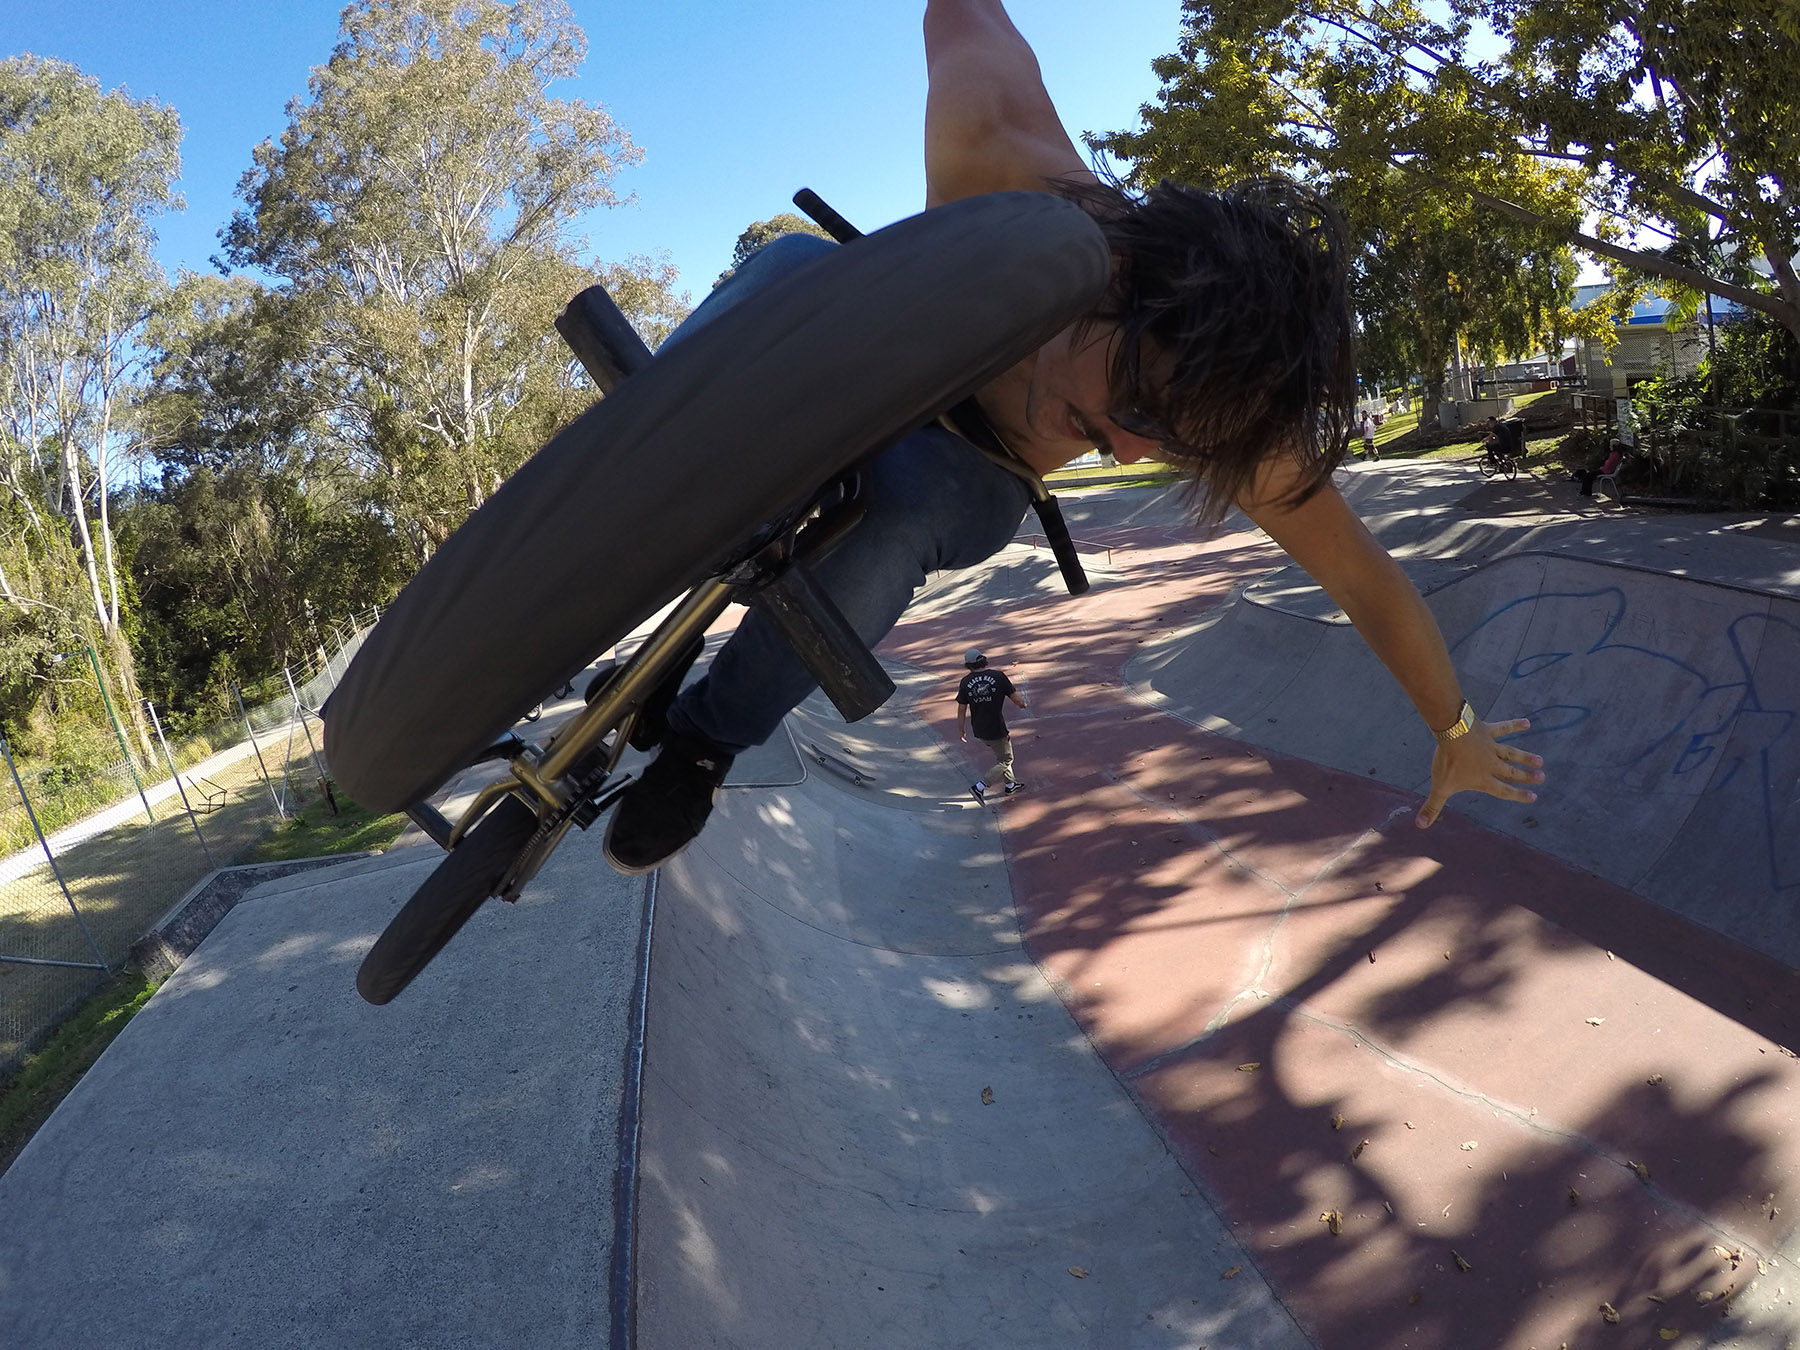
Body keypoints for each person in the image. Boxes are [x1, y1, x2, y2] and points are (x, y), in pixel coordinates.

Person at [600, 0, 1546, 875]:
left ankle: (702, 746)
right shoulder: (1001, 151)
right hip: (875, 343)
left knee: (916, 505)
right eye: (1137, 408)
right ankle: (613, 497)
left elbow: (1363, 579)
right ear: (1117, 274)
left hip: (974, 465)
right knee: (793, 268)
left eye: (1168, 444)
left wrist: (1454, 730)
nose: (1129, 451)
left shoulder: (1234, 419)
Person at [956, 649, 1028, 801]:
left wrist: (961, 729)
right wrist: (1022, 704)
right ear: (984, 660)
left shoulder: (965, 682)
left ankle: (1010, 785)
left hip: (979, 728)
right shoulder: (998, 676)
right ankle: (980, 786)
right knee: (1006, 759)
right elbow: (1016, 699)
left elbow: (961, 708)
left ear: (968, 665)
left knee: (1002, 755)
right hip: (996, 727)